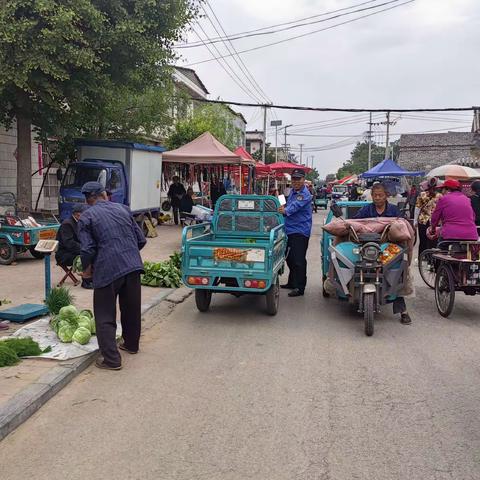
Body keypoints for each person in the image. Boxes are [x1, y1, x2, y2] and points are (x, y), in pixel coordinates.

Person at [78, 181, 146, 371]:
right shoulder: (124, 209)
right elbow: (141, 239)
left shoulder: (87, 216)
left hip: (107, 270)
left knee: (105, 314)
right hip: (132, 266)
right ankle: (131, 345)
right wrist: (128, 253)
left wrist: (87, 270)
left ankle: (111, 360)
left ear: (87, 199)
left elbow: (87, 249)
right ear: (104, 195)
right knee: (131, 309)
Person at [354, 183, 411, 325]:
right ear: (371, 196)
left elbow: (402, 227)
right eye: (375, 195)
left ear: (386, 196)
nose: (377, 198)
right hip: (368, 248)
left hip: (389, 249)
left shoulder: (393, 210)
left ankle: (403, 310)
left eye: (380, 195)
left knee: (396, 275)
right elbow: (356, 223)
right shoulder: (366, 210)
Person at [278, 169, 312, 297]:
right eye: (294, 179)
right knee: (289, 258)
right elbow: (287, 204)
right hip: (289, 230)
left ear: (303, 180)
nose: (296, 181)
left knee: (298, 260)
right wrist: (281, 202)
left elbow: (293, 207)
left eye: (298, 179)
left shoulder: (304, 194)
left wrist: (284, 210)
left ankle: (300, 287)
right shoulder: (292, 191)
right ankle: (292, 282)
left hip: (300, 231)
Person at [55, 204, 92, 289]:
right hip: (64, 254)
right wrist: (84, 249)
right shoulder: (67, 224)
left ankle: (92, 278)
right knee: (87, 255)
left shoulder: (79, 222)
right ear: (77, 214)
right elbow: (69, 243)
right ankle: (86, 281)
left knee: (93, 252)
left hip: (74, 250)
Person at [414, 177, 442, 255]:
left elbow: (417, 208)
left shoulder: (422, 194)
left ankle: (421, 257)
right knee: (433, 242)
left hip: (422, 220)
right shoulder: (440, 196)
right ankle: (431, 258)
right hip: (435, 222)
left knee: (423, 241)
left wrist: (415, 221)